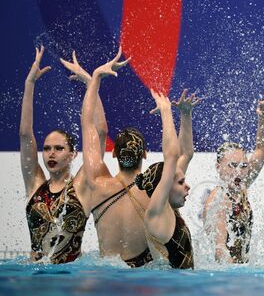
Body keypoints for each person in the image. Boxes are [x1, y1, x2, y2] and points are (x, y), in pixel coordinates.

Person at [21, 46, 108, 263]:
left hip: (69, 276)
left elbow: (100, 132)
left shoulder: (82, 185)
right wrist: (29, 84)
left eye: (59, 149)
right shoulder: (34, 184)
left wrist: (91, 82)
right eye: (47, 148)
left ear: (72, 154)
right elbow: (25, 135)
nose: (51, 153)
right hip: (34, 274)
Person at [80, 49, 156, 267]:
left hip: (107, 275)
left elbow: (88, 126)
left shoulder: (97, 183)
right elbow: (179, 155)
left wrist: (94, 80)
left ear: (113, 153)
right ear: (144, 154)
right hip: (145, 276)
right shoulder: (155, 190)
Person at [202, 94, 264, 263]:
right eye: (232, 166)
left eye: (243, 166)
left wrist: (263, 116)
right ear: (218, 167)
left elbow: (263, 148)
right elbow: (220, 251)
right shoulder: (218, 202)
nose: (239, 172)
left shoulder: (239, 186)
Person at [134, 89, 198, 269]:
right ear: (164, 185)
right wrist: (166, 111)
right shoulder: (157, 212)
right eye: (180, 182)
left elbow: (186, 154)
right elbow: (172, 155)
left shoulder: (168, 207)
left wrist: (185, 115)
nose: (187, 186)